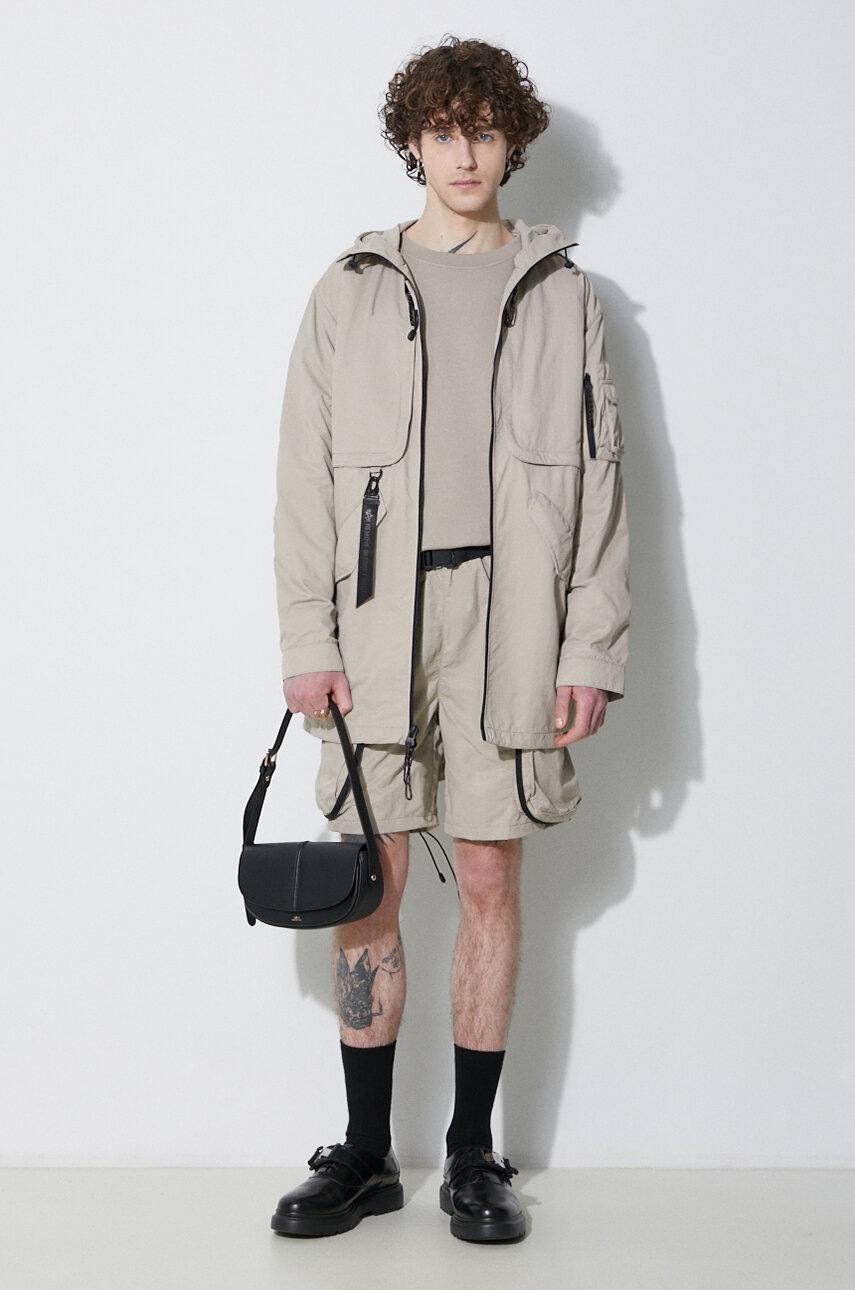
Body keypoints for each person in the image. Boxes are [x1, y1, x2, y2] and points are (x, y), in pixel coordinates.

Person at [270, 35, 629, 1243]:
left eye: (483, 129)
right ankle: (368, 1154)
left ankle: (474, 1154)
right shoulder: (351, 289)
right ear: (413, 142)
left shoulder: (562, 292)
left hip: (514, 620)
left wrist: (591, 650)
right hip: (376, 623)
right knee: (371, 879)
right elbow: (304, 481)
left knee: (487, 873)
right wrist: (307, 635)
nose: (463, 151)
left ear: (510, 142)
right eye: (442, 129)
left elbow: (605, 487)